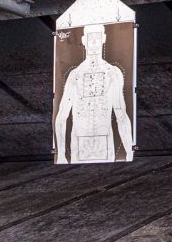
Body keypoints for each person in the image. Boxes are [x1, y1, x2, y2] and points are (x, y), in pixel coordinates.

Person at [54, 23, 134, 164]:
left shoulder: (113, 73)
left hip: (105, 143)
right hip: (79, 143)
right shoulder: (75, 75)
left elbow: (121, 115)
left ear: (104, 38)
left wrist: (129, 152)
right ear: (84, 41)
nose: (95, 42)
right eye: (91, 38)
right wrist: (60, 154)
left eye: (98, 37)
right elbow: (61, 116)